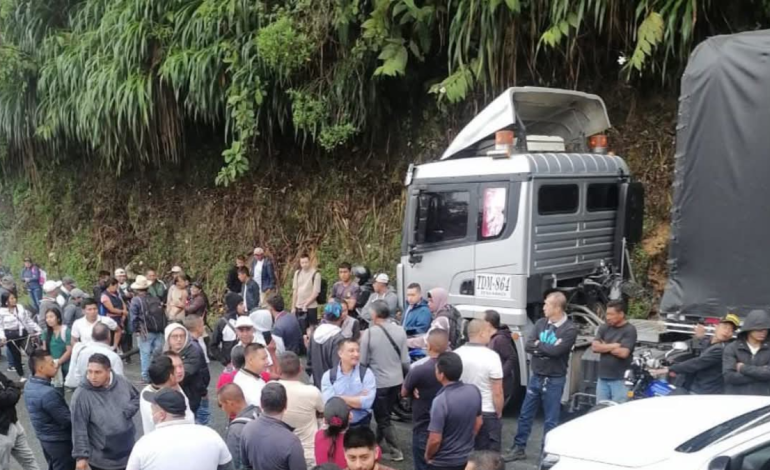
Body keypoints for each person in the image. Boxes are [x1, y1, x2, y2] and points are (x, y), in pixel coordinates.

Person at [503, 292, 578, 462]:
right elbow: (529, 346)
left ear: (557, 307)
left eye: (547, 304)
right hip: (536, 376)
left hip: (554, 379)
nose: (543, 307)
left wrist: (540, 346)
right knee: (525, 414)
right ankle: (518, 448)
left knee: (551, 419)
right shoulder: (540, 323)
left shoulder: (570, 329)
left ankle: (546, 454)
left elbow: (557, 351)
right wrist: (544, 348)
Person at [127, 387, 232, 470]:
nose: (152, 414)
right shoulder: (212, 435)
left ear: (161, 415)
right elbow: (227, 466)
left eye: (153, 411)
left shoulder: (144, 445)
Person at [359, 300, 409, 461]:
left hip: (379, 382)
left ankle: (396, 451)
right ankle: (377, 443)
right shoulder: (400, 330)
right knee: (385, 414)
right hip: (396, 381)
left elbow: (363, 361)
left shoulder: (370, 333)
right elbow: (405, 361)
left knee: (383, 418)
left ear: (374, 315)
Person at [71, 353, 139, 470]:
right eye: (90, 371)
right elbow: (79, 428)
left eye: (98, 372)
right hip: (102, 461)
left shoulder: (122, 382)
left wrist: (128, 410)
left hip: (129, 455)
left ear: (108, 371)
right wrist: (81, 457)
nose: (92, 377)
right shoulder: (81, 395)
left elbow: (137, 397)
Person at [651, 313, 740, 394]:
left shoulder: (723, 349)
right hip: (693, 387)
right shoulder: (710, 342)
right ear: (716, 326)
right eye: (724, 327)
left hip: (704, 393)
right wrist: (700, 337)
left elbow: (697, 363)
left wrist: (670, 369)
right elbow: (703, 347)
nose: (727, 331)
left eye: (731, 330)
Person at [426, 352, 482, 470]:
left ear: (441, 375)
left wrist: (428, 455)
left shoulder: (440, 401)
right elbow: (478, 422)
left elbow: (435, 439)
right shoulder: (473, 390)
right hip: (466, 458)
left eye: (436, 369)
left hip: (443, 462)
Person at [402, 329, 450, 470]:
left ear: (428, 346)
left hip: (424, 426)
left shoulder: (419, 369)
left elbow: (403, 392)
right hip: (448, 426)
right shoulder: (454, 367)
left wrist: (412, 389)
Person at [453, 320, 503, 452]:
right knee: (487, 458)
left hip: (462, 410)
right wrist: (499, 411)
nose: (490, 335)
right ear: (481, 334)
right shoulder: (492, 357)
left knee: (463, 452)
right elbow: (497, 390)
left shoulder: (456, 354)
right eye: (488, 331)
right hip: (487, 411)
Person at [25, 349, 75, 470]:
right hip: (59, 441)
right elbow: (66, 420)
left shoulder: (29, 384)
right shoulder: (48, 393)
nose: (55, 365)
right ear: (40, 368)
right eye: (51, 363)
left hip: (45, 438)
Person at [241, 382, 307, 470]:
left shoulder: (247, 429)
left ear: (261, 403)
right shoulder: (291, 441)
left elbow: (246, 465)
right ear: (285, 405)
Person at [279, 352, 325, 467]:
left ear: (279, 369)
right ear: (301, 369)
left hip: (281, 451)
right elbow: (323, 411)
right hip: (308, 452)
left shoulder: (271, 388)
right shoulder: (312, 392)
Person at [321, 339, 376, 428]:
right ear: (340, 353)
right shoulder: (329, 376)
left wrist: (338, 397)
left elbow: (367, 402)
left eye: (358, 351)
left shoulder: (366, 373)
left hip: (360, 425)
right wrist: (357, 397)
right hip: (337, 426)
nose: (356, 354)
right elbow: (330, 405)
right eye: (351, 351)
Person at [591, 300, 637, 403]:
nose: (608, 317)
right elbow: (594, 348)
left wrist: (604, 346)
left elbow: (623, 353)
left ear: (621, 314)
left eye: (611, 314)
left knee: (617, 412)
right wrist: (615, 345)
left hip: (620, 380)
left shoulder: (630, 330)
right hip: (602, 378)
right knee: (600, 410)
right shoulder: (604, 327)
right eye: (607, 314)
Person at [140, 355, 193, 433]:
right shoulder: (160, 399)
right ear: (171, 376)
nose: (178, 371)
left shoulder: (146, 392)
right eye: (174, 369)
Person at [164, 322, 208, 415]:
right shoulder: (160, 352)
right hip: (167, 397)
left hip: (190, 395)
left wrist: (164, 376)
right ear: (168, 338)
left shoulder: (193, 351)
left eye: (182, 336)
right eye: (175, 336)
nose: (179, 339)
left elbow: (184, 373)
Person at [724, 309, 770, 395]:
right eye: (759, 329)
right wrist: (761, 374)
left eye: (765, 329)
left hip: (764, 402)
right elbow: (729, 377)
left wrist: (743, 368)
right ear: (749, 328)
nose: (763, 332)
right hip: (737, 399)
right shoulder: (732, 348)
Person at [0, 367, 39, 470]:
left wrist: (12, 389)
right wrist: (14, 390)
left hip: (13, 422)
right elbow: (5, 399)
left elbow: (10, 384)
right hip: (2, 432)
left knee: (29, 459)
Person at [130, 277, 167, 383]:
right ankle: (156, 374)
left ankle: (146, 376)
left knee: (145, 354)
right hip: (159, 330)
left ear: (137, 289)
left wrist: (135, 330)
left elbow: (133, 317)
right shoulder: (155, 298)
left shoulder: (136, 300)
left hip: (145, 330)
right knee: (157, 353)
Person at [65, 323, 124, 389]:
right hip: (106, 395)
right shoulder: (113, 357)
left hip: (85, 391)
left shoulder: (82, 352)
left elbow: (78, 374)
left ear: (92, 336)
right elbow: (119, 382)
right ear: (109, 336)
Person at [0, 291, 41, 378]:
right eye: (11, 298)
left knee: (31, 352)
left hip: (23, 334)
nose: (14, 300)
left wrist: (38, 329)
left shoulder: (20, 307)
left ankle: (36, 372)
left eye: (14, 298)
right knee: (16, 356)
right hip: (11, 337)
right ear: (6, 301)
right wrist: (2, 337)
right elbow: (0, 326)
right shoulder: (1, 312)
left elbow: (28, 320)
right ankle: (21, 375)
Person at [218, 383, 259, 470]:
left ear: (230, 403)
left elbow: (233, 462)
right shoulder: (258, 413)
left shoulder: (235, 429)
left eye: (222, 405)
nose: (222, 409)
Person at [308, 303, 346, 388]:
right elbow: (338, 368)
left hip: (317, 384)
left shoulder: (314, 334)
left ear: (324, 316)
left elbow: (309, 362)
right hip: (332, 388)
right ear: (341, 317)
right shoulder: (339, 338)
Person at [184, 314, 212, 425]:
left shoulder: (188, 344)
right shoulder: (194, 347)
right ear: (198, 327)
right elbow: (200, 371)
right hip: (197, 391)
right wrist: (203, 390)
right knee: (201, 419)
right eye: (202, 325)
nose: (204, 327)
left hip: (193, 390)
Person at [484, 310, 516, 405]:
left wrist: (499, 375)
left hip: (500, 384)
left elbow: (511, 357)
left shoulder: (500, 339)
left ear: (488, 323)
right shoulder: (492, 338)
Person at [315, 398, 352, 469]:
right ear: (350, 417)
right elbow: (377, 453)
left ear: (325, 420)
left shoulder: (318, 435)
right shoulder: (354, 440)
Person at [41, 308, 72, 390]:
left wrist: (58, 362)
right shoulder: (45, 332)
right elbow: (45, 351)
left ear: (58, 318)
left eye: (51, 317)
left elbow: (69, 350)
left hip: (66, 364)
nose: (49, 320)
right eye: (47, 317)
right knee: (56, 389)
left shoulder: (66, 331)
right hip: (52, 364)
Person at [210, 293, 245, 366]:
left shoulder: (245, 319)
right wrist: (223, 360)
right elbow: (213, 345)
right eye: (241, 304)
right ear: (234, 306)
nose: (244, 307)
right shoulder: (222, 323)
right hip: (231, 363)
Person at [233, 342, 269, 408]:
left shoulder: (245, 376)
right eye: (263, 359)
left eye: (267, 358)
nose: (268, 361)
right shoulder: (248, 384)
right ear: (250, 360)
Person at [291, 254, 321, 328]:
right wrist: (293, 307)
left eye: (306, 262)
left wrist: (306, 304)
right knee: (299, 327)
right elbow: (295, 290)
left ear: (310, 262)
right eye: (302, 263)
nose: (304, 265)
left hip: (311, 306)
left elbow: (316, 293)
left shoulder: (316, 274)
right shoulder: (297, 273)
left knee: (311, 327)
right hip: (298, 305)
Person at [100, 277, 127, 352]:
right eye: (115, 286)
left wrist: (124, 312)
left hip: (120, 317)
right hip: (111, 318)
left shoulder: (116, 293)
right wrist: (122, 312)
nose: (116, 288)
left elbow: (122, 303)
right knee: (112, 337)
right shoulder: (104, 296)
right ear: (110, 285)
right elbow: (111, 309)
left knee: (124, 337)